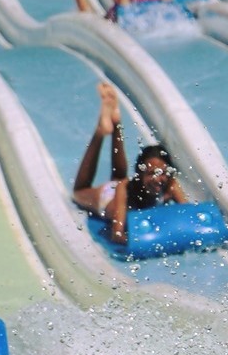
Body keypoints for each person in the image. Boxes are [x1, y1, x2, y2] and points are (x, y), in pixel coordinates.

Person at [73, 82, 189, 245]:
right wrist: (150, 242)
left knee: (119, 176)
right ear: (139, 174)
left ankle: (116, 121)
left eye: (162, 173)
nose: (157, 179)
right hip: (107, 198)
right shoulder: (124, 189)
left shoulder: (171, 185)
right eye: (150, 174)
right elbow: (117, 234)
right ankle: (100, 133)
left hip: (123, 185)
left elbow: (189, 217)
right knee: (79, 191)